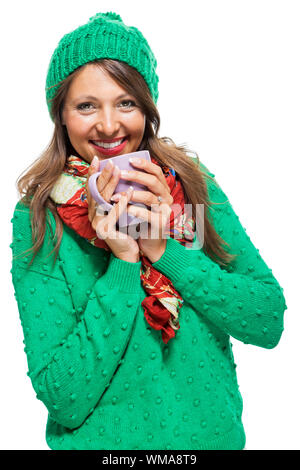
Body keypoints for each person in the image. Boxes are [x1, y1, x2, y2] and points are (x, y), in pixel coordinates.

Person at [10, 11, 287, 451]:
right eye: (86, 106)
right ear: (60, 113)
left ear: (147, 107)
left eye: (126, 103)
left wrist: (162, 249)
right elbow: (63, 397)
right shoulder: (39, 217)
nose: (108, 125)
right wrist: (123, 262)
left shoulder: (191, 184)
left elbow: (268, 320)